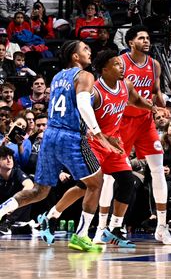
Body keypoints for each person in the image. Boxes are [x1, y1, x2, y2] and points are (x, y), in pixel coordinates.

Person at [0, 42, 123, 252]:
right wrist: (99, 134)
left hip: (50, 135)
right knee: (96, 183)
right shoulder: (84, 75)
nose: (89, 52)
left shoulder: (57, 78)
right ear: (75, 57)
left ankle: (3, 209)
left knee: (39, 191)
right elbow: (83, 105)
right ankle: (82, 236)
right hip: (71, 136)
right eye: (85, 49)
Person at [38, 50, 160, 248]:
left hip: (113, 144)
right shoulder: (93, 90)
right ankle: (54, 215)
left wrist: (151, 107)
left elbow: (136, 101)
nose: (122, 67)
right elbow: (81, 115)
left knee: (127, 182)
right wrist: (99, 135)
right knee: (86, 186)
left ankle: (113, 229)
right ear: (104, 69)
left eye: (122, 64)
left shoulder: (125, 85)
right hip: (93, 142)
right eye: (117, 65)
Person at [118, 26, 171, 245]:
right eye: (141, 38)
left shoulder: (155, 65)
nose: (146, 41)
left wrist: (164, 106)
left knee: (158, 170)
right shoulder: (121, 63)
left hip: (145, 122)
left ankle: (162, 227)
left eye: (148, 37)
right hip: (123, 121)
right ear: (130, 42)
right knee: (111, 175)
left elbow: (156, 92)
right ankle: (107, 226)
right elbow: (120, 94)